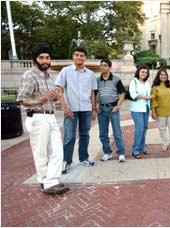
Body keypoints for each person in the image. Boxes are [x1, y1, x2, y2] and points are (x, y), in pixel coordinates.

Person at [17, 43, 69, 195]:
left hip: (50, 117)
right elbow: (22, 99)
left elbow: (52, 97)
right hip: (37, 116)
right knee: (41, 152)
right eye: (41, 58)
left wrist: (57, 99)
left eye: (47, 57)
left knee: (57, 151)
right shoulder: (29, 75)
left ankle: (52, 180)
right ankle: (44, 182)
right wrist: (40, 101)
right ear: (35, 60)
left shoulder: (49, 76)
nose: (45, 61)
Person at [56, 46, 97, 174]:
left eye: (82, 55)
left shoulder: (90, 74)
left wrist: (94, 108)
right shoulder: (65, 71)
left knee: (85, 135)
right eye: (77, 55)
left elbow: (92, 93)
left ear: (85, 57)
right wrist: (65, 107)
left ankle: (84, 158)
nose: (79, 57)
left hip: (86, 109)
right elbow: (59, 90)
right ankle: (66, 161)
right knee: (69, 136)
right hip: (71, 109)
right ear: (73, 56)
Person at [96, 59, 126, 162]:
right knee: (103, 133)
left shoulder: (116, 79)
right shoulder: (97, 80)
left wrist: (118, 105)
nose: (102, 67)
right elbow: (95, 94)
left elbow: (122, 93)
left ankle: (121, 153)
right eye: (101, 65)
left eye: (104, 65)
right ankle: (107, 153)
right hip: (102, 109)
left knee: (117, 132)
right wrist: (95, 105)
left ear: (109, 67)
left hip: (113, 109)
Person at [151, 69, 170, 152]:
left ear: (167, 76)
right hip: (160, 111)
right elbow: (153, 99)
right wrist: (153, 111)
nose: (163, 76)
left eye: (165, 75)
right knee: (162, 128)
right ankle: (165, 143)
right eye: (161, 75)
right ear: (158, 76)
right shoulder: (155, 86)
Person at [129, 65, 153, 159]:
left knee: (144, 128)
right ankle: (135, 150)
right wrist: (146, 97)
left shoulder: (147, 83)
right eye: (142, 72)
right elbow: (133, 94)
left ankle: (142, 147)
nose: (144, 74)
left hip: (146, 108)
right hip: (137, 109)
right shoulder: (134, 81)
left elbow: (150, 96)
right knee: (139, 129)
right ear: (138, 72)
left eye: (146, 72)